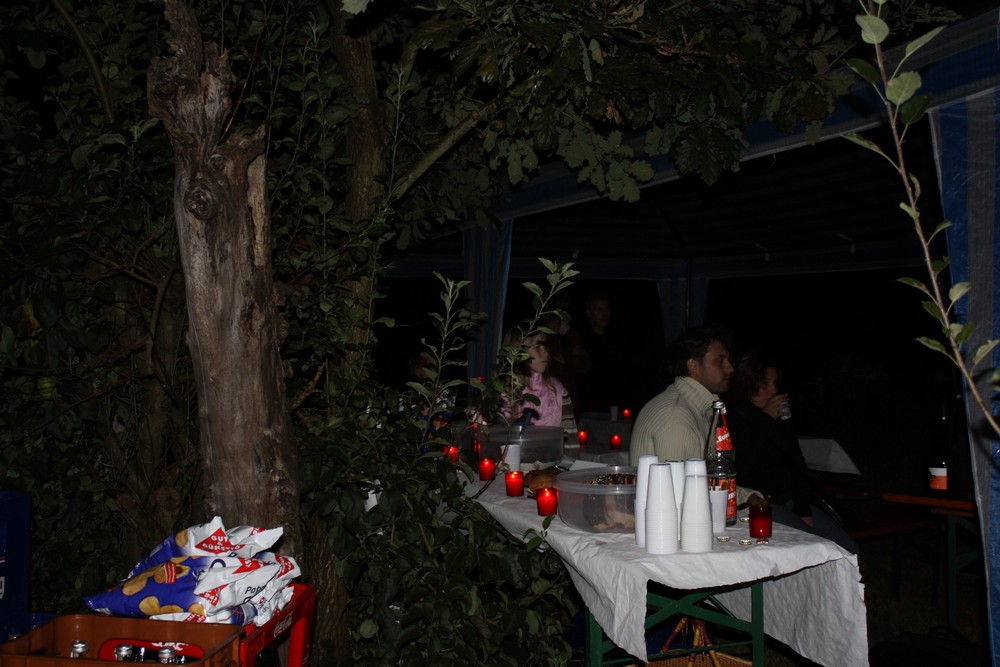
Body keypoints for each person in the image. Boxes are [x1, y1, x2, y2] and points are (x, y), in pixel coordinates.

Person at [724, 351, 858, 553]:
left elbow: (795, 461)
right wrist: (765, 420)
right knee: (814, 550)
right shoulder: (733, 417)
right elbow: (744, 464)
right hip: (763, 506)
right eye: (765, 384)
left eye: (774, 383)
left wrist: (803, 508)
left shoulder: (778, 416)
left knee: (847, 549)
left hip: (792, 501)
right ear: (747, 385)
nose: (773, 390)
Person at [629, 326, 761, 506]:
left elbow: (702, 482)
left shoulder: (696, 408)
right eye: (720, 361)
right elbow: (676, 500)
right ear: (693, 365)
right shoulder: (676, 417)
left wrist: (745, 496)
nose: (730, 368)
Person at [501, 325, 577, 432]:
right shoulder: (505, 390)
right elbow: (499, 434)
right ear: (518, 352)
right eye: (537, 347)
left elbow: (570, 432)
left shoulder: (557, 389)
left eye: (545, 346)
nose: (546, 352)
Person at [577, 291, 633, 412]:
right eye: (599, 309)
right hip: (591, 405)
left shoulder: (618, 339)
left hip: (616, 403)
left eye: (607, 309)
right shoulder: (581, 340)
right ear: (589, 313)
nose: (604, 314)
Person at [540, 295, 591, 420]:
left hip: (568, 394)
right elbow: (545, 363)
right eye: (562, 303)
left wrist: (566, 359)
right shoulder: (540, 333)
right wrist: (567, 357)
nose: (565, 306)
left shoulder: (570, 332)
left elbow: (584, 365)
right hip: (546, 394)